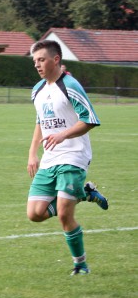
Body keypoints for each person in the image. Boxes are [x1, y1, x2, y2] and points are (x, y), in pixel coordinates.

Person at [27, 40, 109, 276]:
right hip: (50, 158)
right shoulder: (37, 90)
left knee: (64, 213)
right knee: (34, 213)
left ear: (56, 60)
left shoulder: (70, 86)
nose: (37, 65)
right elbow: (40, 123)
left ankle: (80, 264)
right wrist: (33, 153)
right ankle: (83, 193)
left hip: (74, 155)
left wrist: (63, 135)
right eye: (35, 61)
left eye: (41, 60)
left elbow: (90, 119)